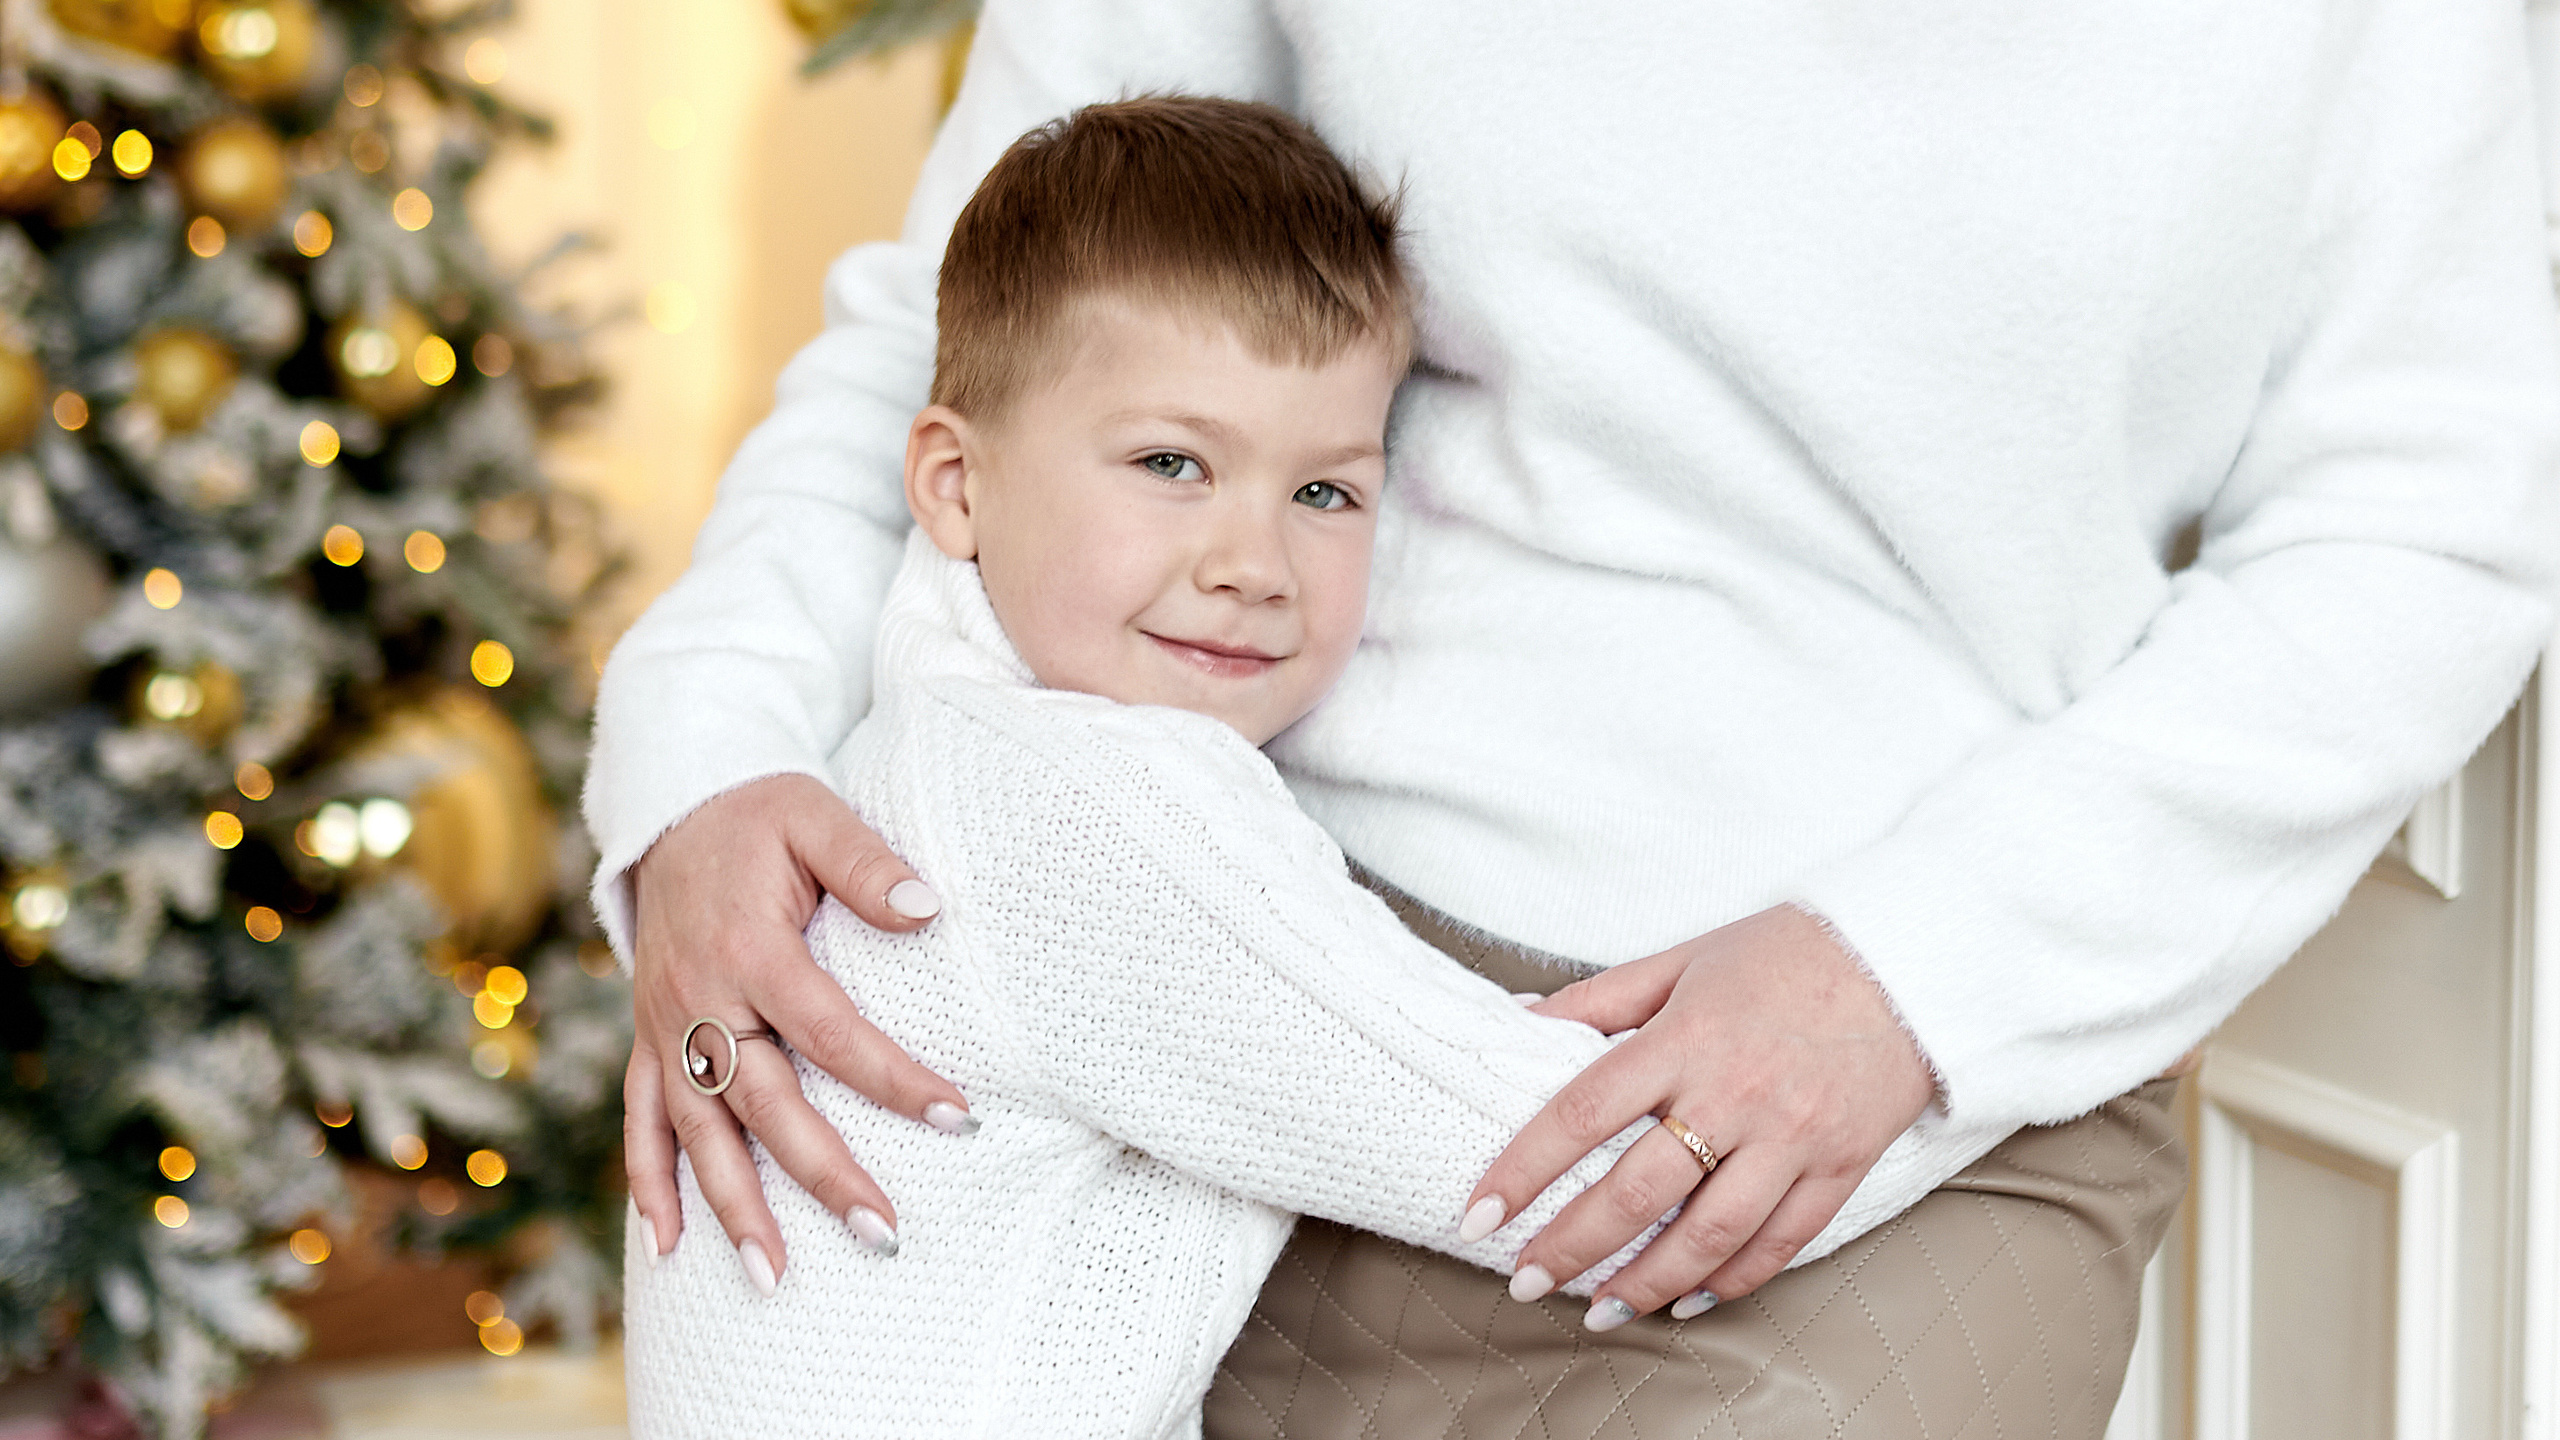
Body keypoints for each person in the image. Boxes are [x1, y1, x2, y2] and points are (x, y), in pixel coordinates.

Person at [591, 0, 2560, 1431]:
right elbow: (981, 315)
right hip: (1248, 1018)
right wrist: (702, 769)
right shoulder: (1075, 863)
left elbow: (2422, 531)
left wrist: (1913, 985)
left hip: (1896, 1083)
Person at [624, 96, 2012, 1436]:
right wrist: (1948, 1029)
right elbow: (1586, 1172)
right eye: (1171, 463)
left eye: (1324, 492)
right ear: (953, 484)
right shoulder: (1098, 818)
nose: (1252, 566)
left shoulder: (927, 740)